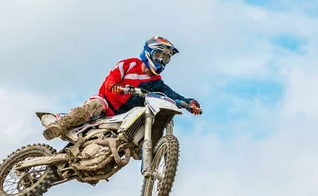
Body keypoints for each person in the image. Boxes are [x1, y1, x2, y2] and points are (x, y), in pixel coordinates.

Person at [42, 35, 202, 140]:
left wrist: (189, 103)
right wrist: (120, 88)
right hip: (106, 104)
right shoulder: (128, 65)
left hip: (124, 118)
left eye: (166, 58)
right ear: (149, 53)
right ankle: (60, 125)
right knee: (96, 105)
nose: (162, 60)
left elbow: (172, 96)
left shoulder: (156, 81)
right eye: (159, 55)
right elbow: (109, 83)